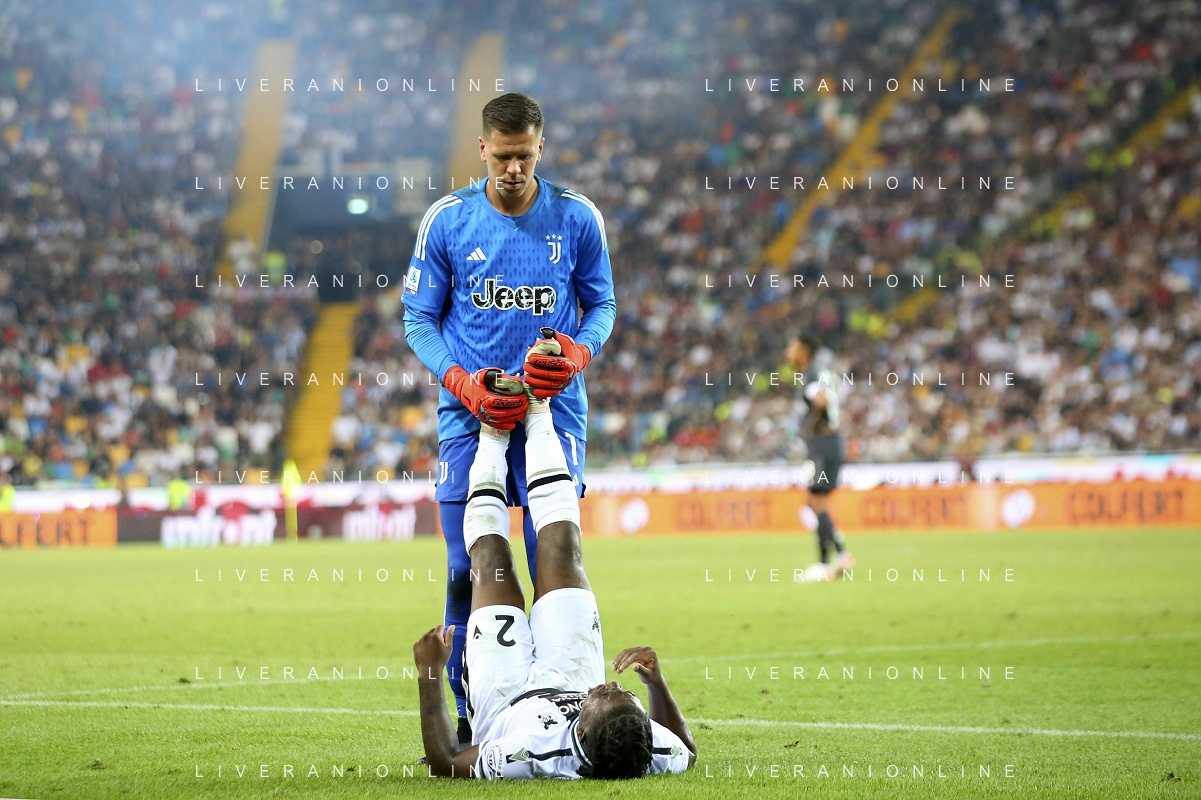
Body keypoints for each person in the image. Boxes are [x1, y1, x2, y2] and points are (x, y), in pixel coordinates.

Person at [402, 92, 617, 742]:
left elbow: (602, 306)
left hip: (553, 412)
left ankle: (559, 706)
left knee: (552, 557)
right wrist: (463, 384)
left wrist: (577, 353)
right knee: (466, 570)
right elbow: (418, 319)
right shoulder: (448, 220)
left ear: (540, 148)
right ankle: (472, 721)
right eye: (502, 157)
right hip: (469, 419)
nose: (514, 168)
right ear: (482, 150)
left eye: (524, 155)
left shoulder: (576, 217)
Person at [413, 359, 696, 779]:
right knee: (564, 550)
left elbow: (447, 764)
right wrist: (655, 684)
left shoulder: (530, 754)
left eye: (609, 696)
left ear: (581, 731)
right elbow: (687, 752)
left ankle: (493, 431)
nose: (613, 685)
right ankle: (537, 408)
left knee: (491, 561)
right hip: (573, 675)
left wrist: (428, 673)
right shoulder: (638, 744)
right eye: (626, 695)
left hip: (507, 696)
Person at [786, 333, 854, 580]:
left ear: (804, 351)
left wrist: (810, 427)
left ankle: (825, 564)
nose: (788, 352)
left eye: (792, 348)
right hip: (829, 443)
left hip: (823, 444)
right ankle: (842, 555)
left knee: (816, 502)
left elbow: (822, 401)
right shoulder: (820, 371)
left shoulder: (812, 373)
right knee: (817, 502)